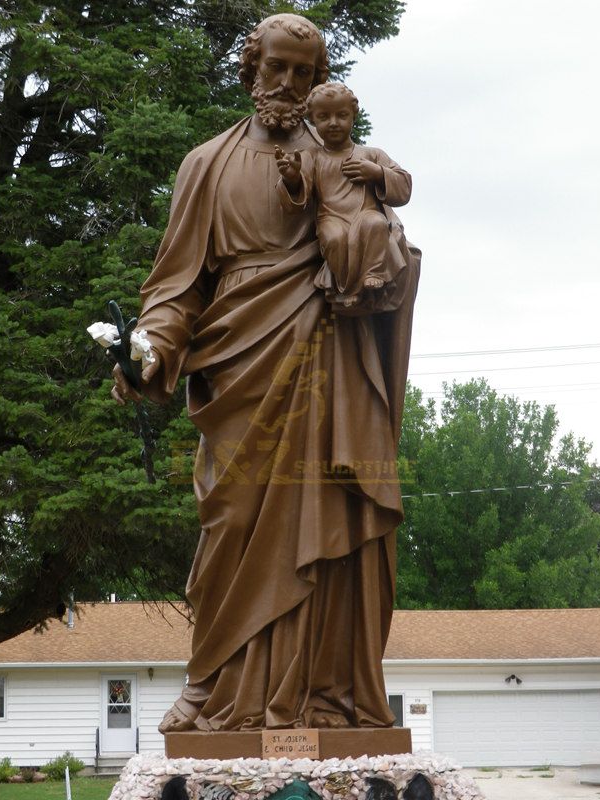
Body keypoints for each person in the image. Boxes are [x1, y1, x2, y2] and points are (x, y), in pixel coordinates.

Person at [111, 13, 420, 733]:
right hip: (242, 365)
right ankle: (216, 685)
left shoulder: (347, 160)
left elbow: (389, 248)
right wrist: (152, 350)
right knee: (233, 520)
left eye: (303, 73)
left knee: (338, 518)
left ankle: (329, 701)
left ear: (321, 84)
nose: (287, 84)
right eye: (275, 67)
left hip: (335, 364)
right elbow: (175, 287)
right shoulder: (207, 164)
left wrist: (380, 262)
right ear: (251, 69)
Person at [275, 82, 412, 307]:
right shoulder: (312, 157)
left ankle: (373, 273)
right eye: (324, 117)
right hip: (332, 217)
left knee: (375, 224)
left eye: (342, 115)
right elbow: (298, 198)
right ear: (313, 120)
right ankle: (346, 288)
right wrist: (291, 178)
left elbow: (404, 185)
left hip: (364, 213)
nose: (334, 123)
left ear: (352, 116)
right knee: (334, 238)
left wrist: (377, 173)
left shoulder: (371, 154)